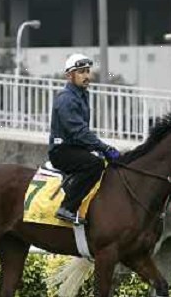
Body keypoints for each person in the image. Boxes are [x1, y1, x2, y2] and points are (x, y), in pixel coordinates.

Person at [48, 53, 120, 225]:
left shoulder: (82, 95)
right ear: (69, 76)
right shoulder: (66, 99)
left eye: (88, 71)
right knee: (94, 164)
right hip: (62, 151)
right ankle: (67, 208)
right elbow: (79, 131)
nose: (87, 76)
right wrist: (104, 148)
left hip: (76, 148)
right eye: (81, 72)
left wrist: (100, 149)